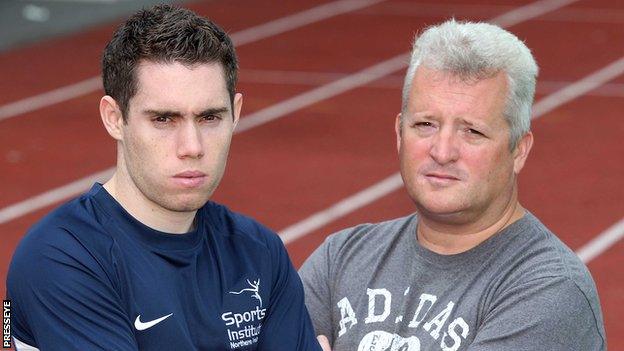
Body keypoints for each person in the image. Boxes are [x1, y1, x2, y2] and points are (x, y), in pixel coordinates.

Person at [6, 5, 321, 351]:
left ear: (236, 114)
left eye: (209, 118)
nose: (192, 146)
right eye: (163, 119)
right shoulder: (60, 258)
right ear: (114, 118)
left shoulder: (259, 252)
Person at [300, 19, 606, 351]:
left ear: (519, 149)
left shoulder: (549, 289)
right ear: (400, 134)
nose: (442, 151)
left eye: (472, 131)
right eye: (425, 124)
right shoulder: (340, 260)